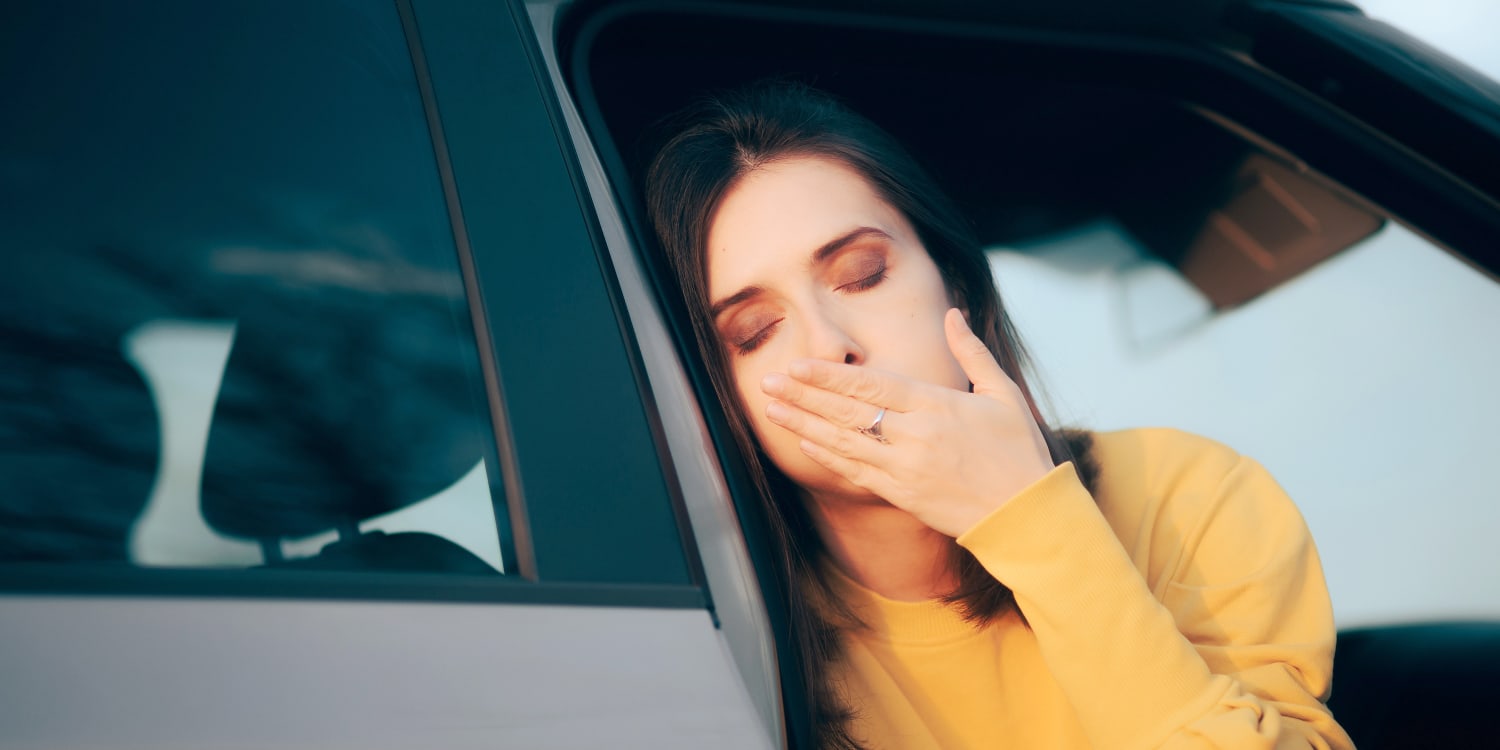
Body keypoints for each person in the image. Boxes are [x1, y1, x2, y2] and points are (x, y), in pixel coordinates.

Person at [645, 81, 1353, 750]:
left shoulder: (1189, 496)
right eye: (755, 331)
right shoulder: (714, 636)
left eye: (862, 275)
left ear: (954, 279)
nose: (831, 345)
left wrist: (1033, 524)